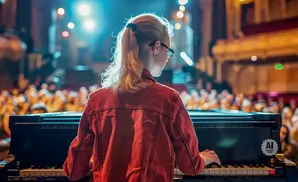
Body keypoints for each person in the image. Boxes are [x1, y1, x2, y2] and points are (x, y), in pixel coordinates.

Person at [63, 13, 220, 182]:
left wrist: (99, 160)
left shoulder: (97, 100)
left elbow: (73, 171)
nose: (168, 57)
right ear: (156, 47)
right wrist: (205, 157)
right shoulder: (169, 99)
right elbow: (190, 165)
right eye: (169, 51)